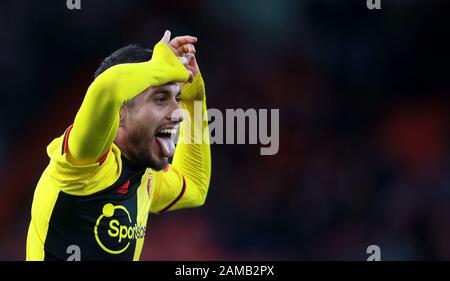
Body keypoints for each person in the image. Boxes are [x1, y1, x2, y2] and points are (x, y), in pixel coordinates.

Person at [26, 30, 211, 261]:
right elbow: (107, 88)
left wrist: (194, 100)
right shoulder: (84, 165)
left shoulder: (145, 178)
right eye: (161, 99)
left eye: (178, 99)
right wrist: (160, 67)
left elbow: (195, 185)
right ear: (120, 111)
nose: (178, 114)